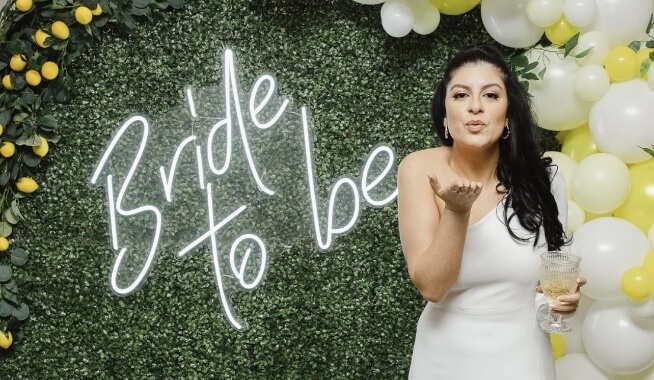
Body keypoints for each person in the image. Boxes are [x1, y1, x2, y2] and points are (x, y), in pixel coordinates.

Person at [397, 44, 586, 379]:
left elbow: (552, 280)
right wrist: (457, 212)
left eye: (490, 96)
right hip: (443, 356)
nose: (474, 107)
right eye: (460, 95)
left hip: (523, 356)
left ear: (508, 114)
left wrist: (563, 302)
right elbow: (431, 287)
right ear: (445, 115)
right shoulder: (418, 168)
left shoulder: (545, 180)